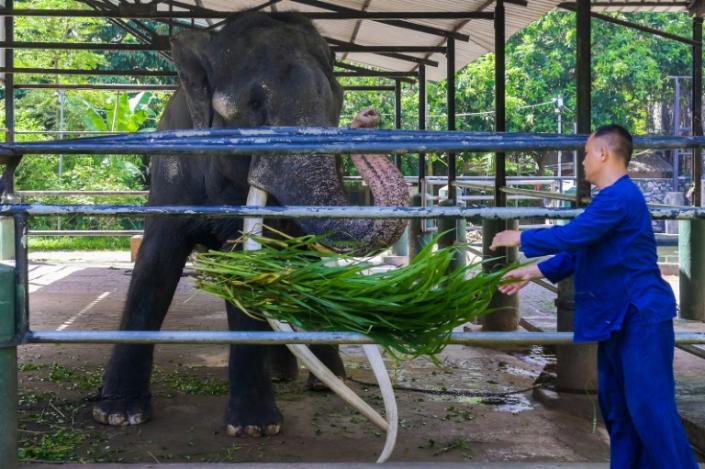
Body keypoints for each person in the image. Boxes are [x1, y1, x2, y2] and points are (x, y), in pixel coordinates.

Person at [490, 124, 698, 468]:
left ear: (603, 153)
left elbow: (576, 234)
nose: (583, 161)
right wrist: (530, 272)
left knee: (650, 410)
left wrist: (522, 238)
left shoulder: (621, 197)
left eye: (586, 153)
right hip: (618, 319)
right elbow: (581, 249)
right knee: (617, 409)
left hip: (640, 316)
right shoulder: (609, 200)